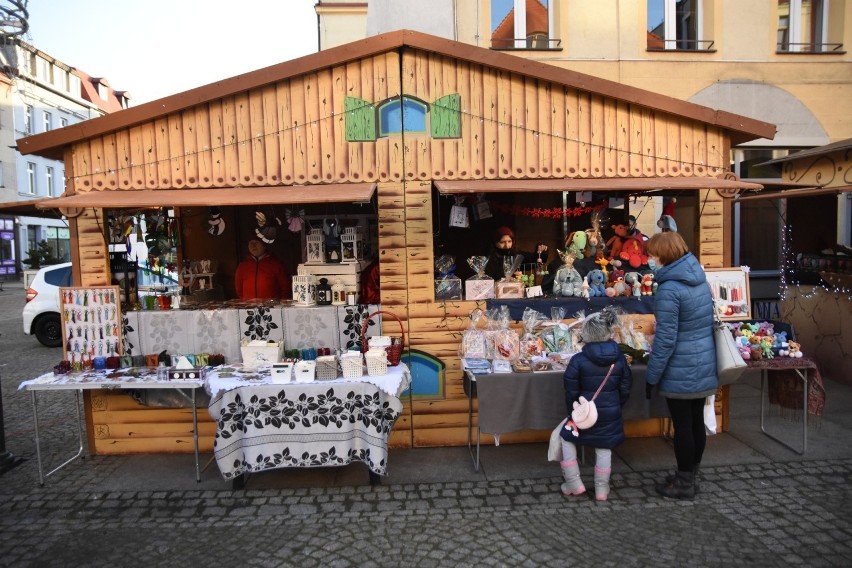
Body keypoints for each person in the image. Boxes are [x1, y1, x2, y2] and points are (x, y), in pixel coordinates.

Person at [644, 231, 716, 500]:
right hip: (703, 360)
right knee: (695, 421)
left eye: (652, 255)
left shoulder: (670, 289)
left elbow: (665, 340)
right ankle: (691, 474)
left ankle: (684, 481)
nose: (650, 260)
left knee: (683, 426)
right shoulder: (697, 278)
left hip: (682, 367)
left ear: (663, 255)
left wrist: (652, 376)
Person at [559, 306, 632, 501]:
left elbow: (571, 391)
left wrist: (573, 410)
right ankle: (601, 489)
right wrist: (616, 405)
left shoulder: (578, 360)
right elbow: (626, 386)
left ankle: (574, 483)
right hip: (610, 411)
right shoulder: (620, 359)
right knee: (604, 446)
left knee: (566, 437)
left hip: (583, 412)